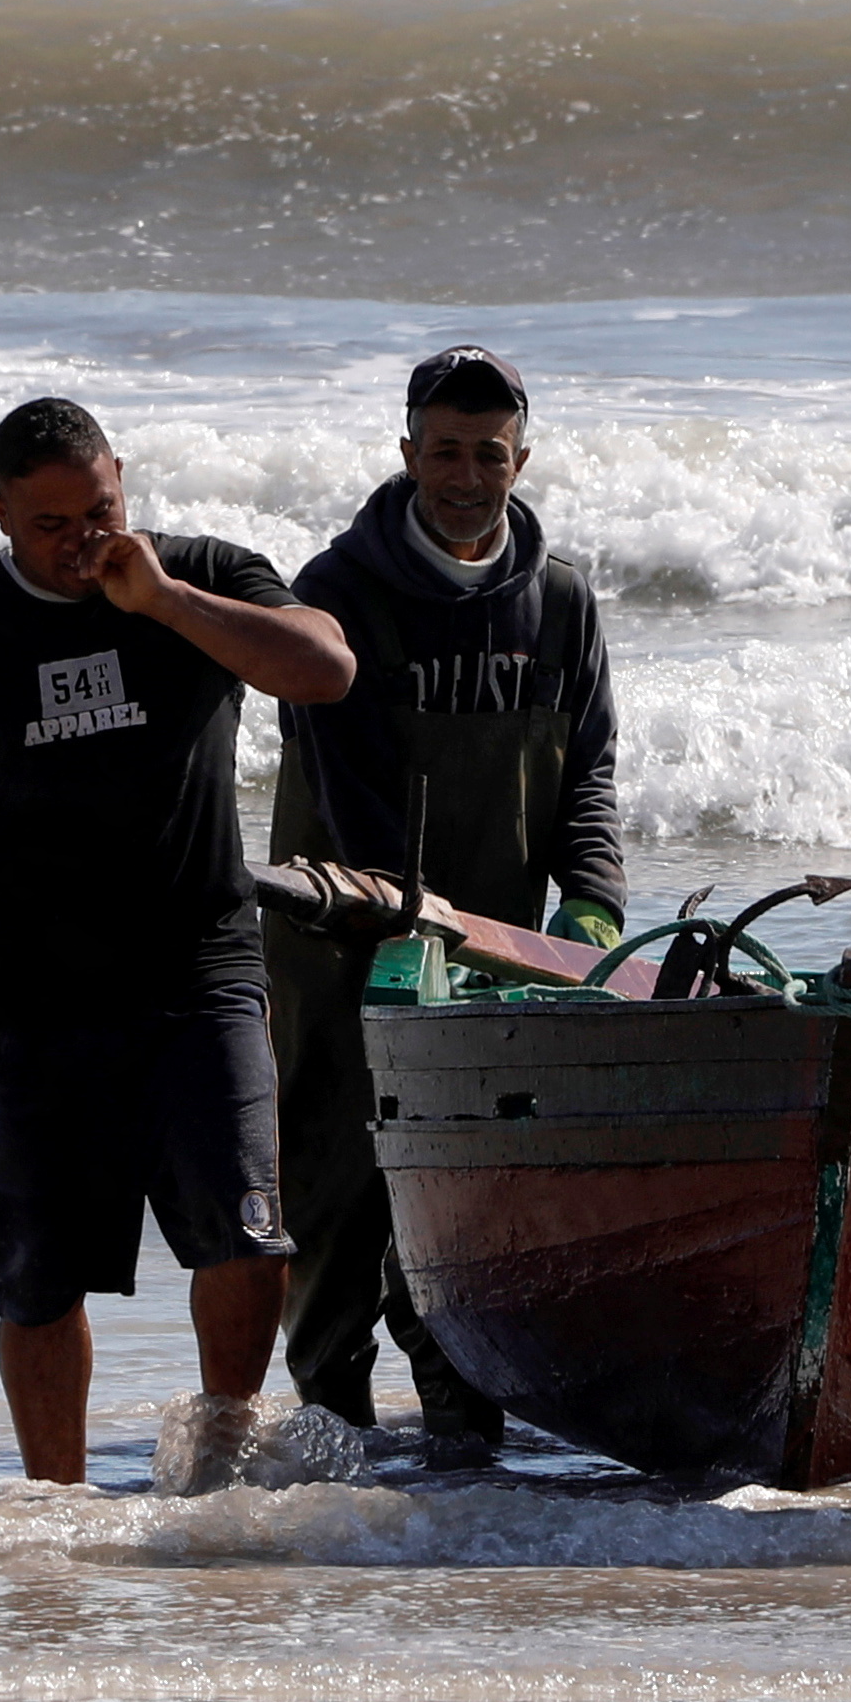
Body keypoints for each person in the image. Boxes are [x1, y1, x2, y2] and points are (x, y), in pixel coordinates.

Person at [0, 396, 361, 1489]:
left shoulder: (203, 576)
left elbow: (325, 667)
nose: (79, 539)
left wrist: (169, 602)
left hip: (203, 977)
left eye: (96, 509)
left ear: (122, 480)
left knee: (246, 1242)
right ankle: (59, 1505)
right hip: (30, 1000)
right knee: (38, 1285)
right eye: (47, 522)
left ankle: (218, 1463)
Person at [262, 344, 628, 1452]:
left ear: (522, 458)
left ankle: (465, 1454)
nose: (466, 476)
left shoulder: (560, 603)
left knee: (469, 1208)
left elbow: (590, 769)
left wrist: (594, 906)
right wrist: (420, 919)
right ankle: (331, 1440)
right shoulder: (334, 596)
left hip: (496, 960)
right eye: (444, 452)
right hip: (343, 952)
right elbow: (349, 788)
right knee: (337, 1200)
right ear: (406, 451)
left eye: (490, 454)